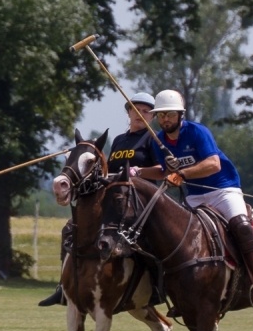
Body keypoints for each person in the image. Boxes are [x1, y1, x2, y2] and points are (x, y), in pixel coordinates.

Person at [39, 92, 162, 307]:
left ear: (152, 117)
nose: (140, 115)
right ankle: (63, 287)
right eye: (136, 110)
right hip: (116, 201)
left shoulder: (153, 139)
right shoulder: (119, 140)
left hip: (142, 201)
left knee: (151, 241)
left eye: (146, 112)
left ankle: (160, 289)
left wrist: (138, 172)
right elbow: (108, 172)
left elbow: (163, 170)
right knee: (71, 228)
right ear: (129, 112)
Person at [150, 89, 253, 307]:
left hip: (223, 189)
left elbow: (213, 163)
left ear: (180, 115)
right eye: (160, 115)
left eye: (169, 114)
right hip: (194, 195)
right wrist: (138, 173)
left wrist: (183, 173)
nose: (165, 119)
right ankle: (181, 293)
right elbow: (165, 171)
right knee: (172, 235)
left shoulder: (197, 132)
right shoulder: (158, 141)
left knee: (241, 225)